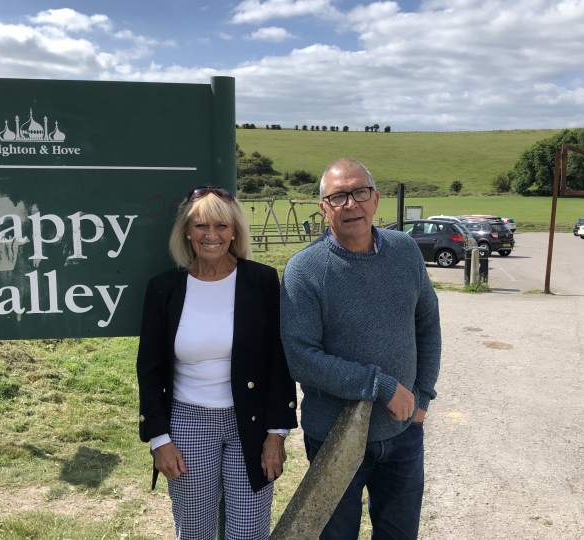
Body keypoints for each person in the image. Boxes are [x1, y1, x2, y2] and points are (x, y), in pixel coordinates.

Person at [280, 158, 442, 540]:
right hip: (333, 437)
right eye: (338, 197)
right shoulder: (304, 270)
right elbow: (302, 357)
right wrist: (381, 386)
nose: (351, 204)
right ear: (324, 208)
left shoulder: (405, 251)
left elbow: (428, 325)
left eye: (360, 193)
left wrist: (423, 401)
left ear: (376, 199)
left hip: (403, 433)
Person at [137, 186, 298, 540]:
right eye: (201, 226)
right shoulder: (163, 289)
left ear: (235, 230)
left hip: (251, 426)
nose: (212, 236)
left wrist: (277, 434)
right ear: (186, 232)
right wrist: (158, 439)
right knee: (194, 532)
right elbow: (149, 370)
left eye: (222, 226)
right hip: (187, 424)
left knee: (249, 532)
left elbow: (279, 361)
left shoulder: (262, 281)